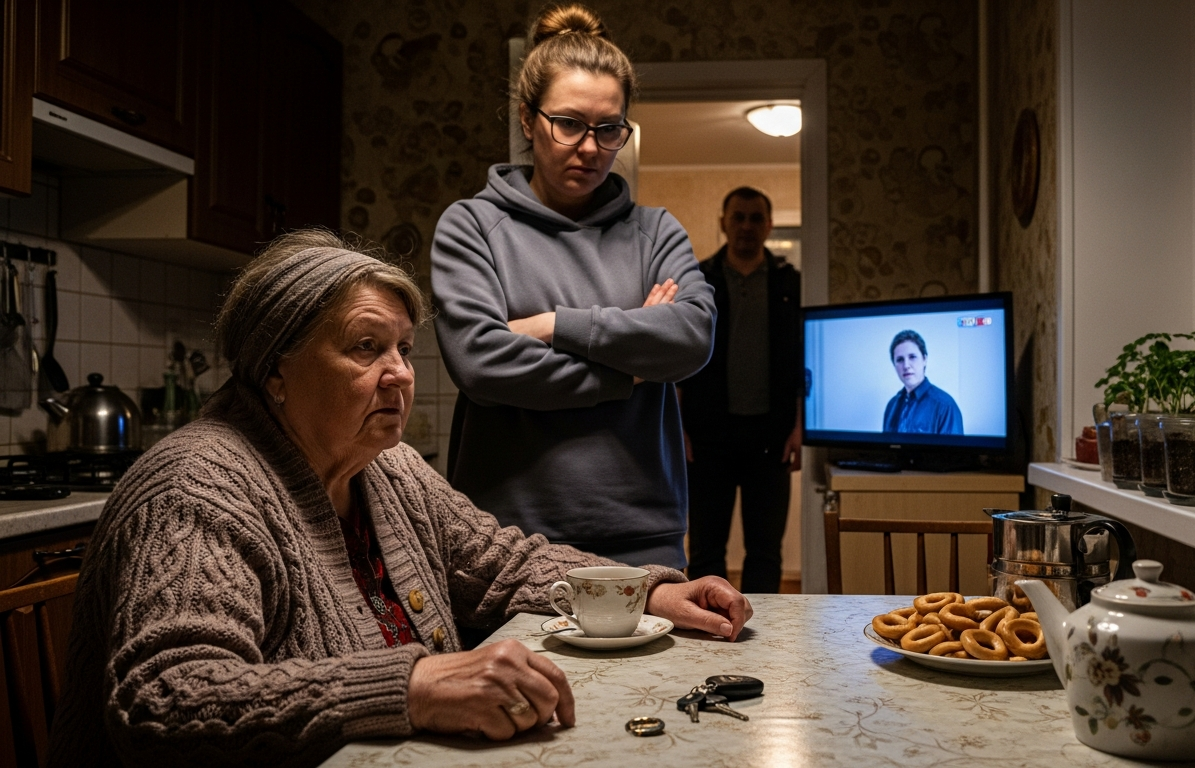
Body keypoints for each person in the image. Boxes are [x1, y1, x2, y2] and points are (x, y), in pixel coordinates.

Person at [48, 230, 750, 768]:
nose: (400, 375)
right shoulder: (198, 488)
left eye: (404, 350)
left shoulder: (389, 468)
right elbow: (168, 700)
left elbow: (504, 564)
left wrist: (648, 592)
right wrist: (413, 688)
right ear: (275, 370)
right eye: (365, 348)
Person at [431, 4, 712, 570]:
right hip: (505, 539)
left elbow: (691, 338)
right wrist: (629, 367)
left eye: (609, 129)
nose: (590, 147)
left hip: (644, 537)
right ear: (527, 119)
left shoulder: (656, 231)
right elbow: (480, 362)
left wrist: (552, 326)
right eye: (569, 124)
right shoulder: (472, 226)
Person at [678, 187, 802, 593]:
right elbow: (678, 359)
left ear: (769, 225)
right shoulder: (698, 280)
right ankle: (705, 621)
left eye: (755, 218)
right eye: (738, 217)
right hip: (707, 435)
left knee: (765, 551)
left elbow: (804, 362)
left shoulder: (791, 282)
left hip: (772, 437)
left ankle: (761, 628)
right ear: (723, 223)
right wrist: (678, 429)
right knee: (705, 550)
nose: (747, 226)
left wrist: (799, 427)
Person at [882, 329, 963, 435]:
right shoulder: (891, 405)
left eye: (912, 357)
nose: (906, 365)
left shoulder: (945, 406)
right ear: (894, 365)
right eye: (900, 359)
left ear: (924, 359)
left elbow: (952, 446)